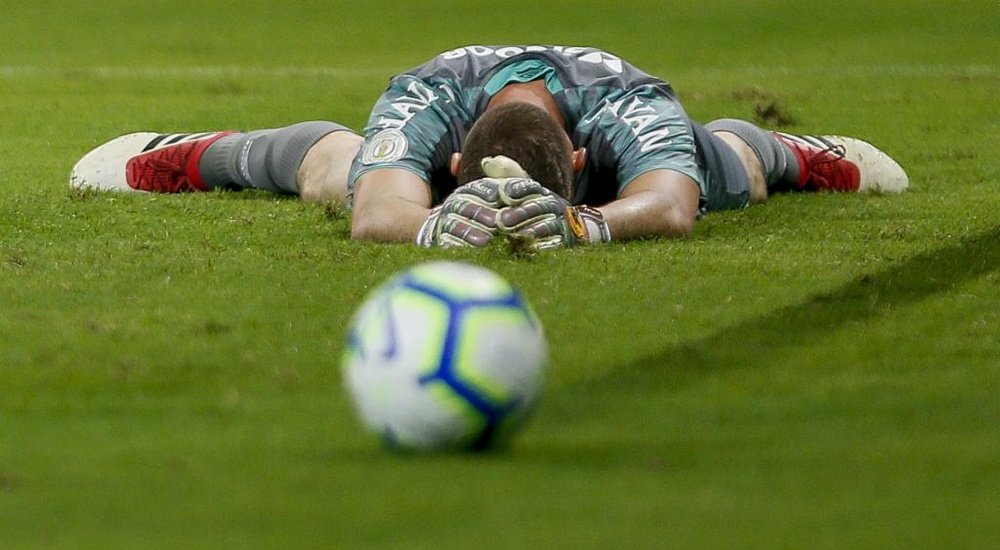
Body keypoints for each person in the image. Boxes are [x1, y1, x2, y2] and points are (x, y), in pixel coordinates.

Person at [70, 44, 909, 249]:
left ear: (577, 168)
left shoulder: (629, 105)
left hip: (630, 146)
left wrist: (586, 225)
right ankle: (192, 152)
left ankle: (801, 152)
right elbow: (376, 216)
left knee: (732, 171)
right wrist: (434, 226)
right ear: (451, 168)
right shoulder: (423, 100)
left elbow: (673, 209)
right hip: (437, 134)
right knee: (335, 171)